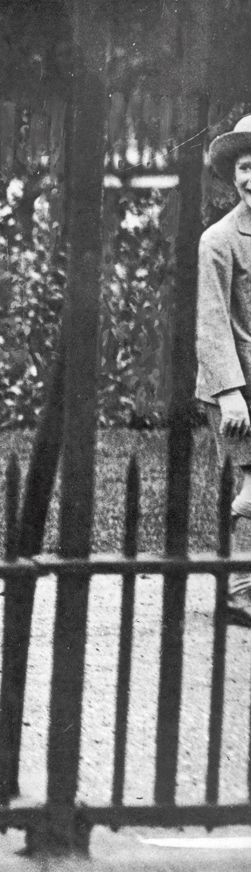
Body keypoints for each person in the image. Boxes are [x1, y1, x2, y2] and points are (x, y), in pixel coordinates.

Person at [197, 113, 251, 627]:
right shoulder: (219, 240)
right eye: (244, 167)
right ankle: (238, 592)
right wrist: (231, 392)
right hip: (238, 389)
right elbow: (212, 323)